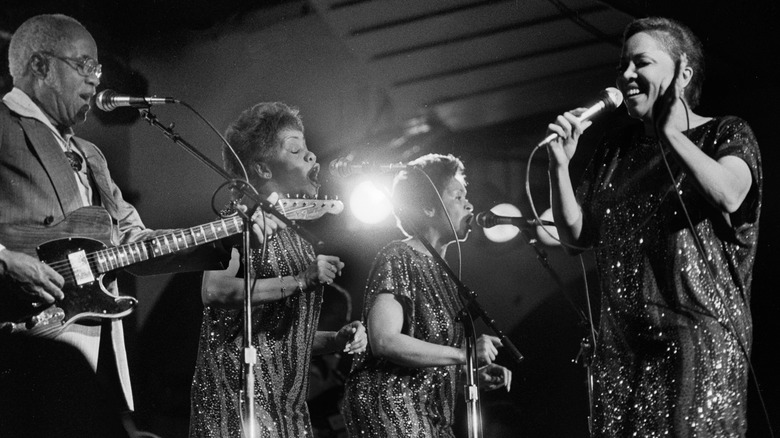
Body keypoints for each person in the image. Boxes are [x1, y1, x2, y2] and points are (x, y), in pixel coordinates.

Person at [0, 14, 275, 437]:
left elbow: (135, 242)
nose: (95, 81)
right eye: (84, 66)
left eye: (98, 69)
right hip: (19, 341)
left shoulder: (90, 155)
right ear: (40, 66)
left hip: (90, 342)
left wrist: (226, 238)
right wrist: (5, 262)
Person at [546, 17, 761, 436]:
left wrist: (670, 134)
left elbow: (730, 194)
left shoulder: (725, 132)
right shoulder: (613, 150)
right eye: (622, 65)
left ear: (683, 73)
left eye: (640, 63)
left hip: (696, 347)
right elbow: (575, 238)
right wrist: (559, 167)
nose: (626, 75)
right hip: (624, 352)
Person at [189, 101, 368, 438]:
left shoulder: (296, 237)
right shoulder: (238, 219)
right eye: (296, 149)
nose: (311, 156)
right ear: (264, 169)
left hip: (289, 409)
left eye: (307, 148)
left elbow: (276, 338)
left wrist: (335, 339)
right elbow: (214, 291)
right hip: (238, 406)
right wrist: (301, 280)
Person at [341, 153, 513, 437]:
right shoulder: (398, 255)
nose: (469, 204)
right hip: (390, 407)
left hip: (428, 414)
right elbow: (384, 340)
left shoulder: (446, 277)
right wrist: (464, 354)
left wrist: (464, 378)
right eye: (457, 196)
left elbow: (424, 361)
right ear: (428, 208)